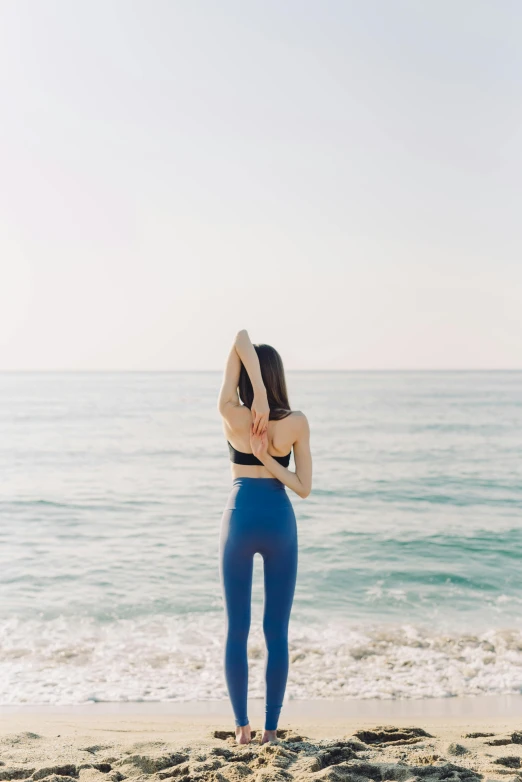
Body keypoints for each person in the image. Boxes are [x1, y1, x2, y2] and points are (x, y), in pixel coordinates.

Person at [217, 329, 312, 745]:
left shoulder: (231, 414)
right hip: (278, 522)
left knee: (236, 629)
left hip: (238, 519)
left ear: (252, 376)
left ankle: (242, 730)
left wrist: (253, 395)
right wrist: (270, 459)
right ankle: (271, 733)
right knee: (276, 632)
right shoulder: (295, 423)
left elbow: (239, 338)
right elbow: (303, 487)